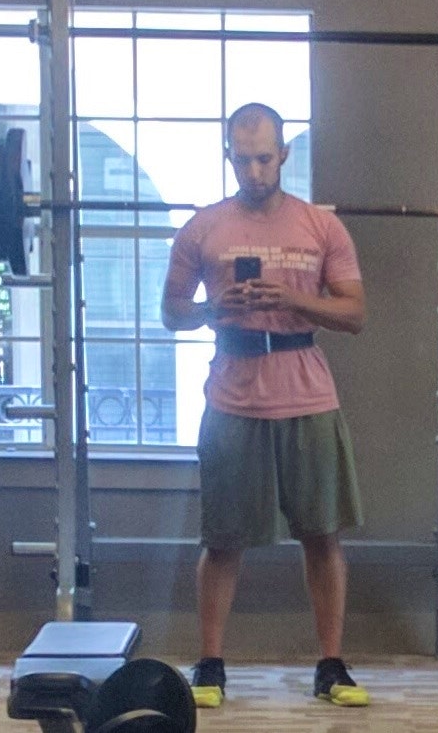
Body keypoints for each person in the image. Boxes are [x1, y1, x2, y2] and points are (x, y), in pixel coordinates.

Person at [161, 102, 369, 708]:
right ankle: (210, 666)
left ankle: (331, 666)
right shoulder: (202, 228)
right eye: (243, 160)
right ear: (229, 158)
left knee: (322, 535)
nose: (254, 171)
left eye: (263, 158)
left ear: (283, 155)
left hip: (308, 394)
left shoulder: (320, 227)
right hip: (233, 393)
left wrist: (293, 299)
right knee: (222, 538)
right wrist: (214, 308)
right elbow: (172, 312)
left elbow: (355, 313)